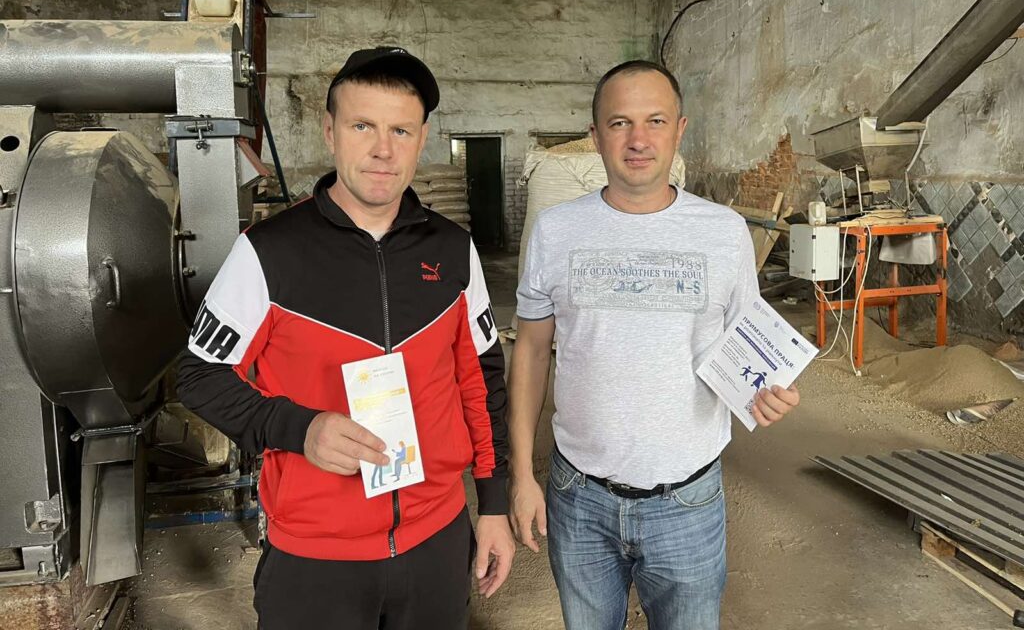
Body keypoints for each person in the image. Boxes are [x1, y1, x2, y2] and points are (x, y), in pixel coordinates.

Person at [177, 46, 515, 629]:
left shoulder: (453, 250)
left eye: (401, 130)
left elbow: (482, 382)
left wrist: (493, 505)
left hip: (436, 539)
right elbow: (199, 376)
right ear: (330, 131)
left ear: (422, 139)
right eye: (363, 126)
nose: (384, 149)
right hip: (315, 556)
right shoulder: (268, 252)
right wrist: (298, 428)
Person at [507, 60, 800, 630]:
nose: (638, 139)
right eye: (619, 123)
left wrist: (769, 390)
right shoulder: (556, 230)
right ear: (595, 136)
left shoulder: (724, 232)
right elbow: (531, 353)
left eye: (655, 121)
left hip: (687, 500)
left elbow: (749, 347)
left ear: (679, 130)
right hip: (579, 496)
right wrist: (522, 476)